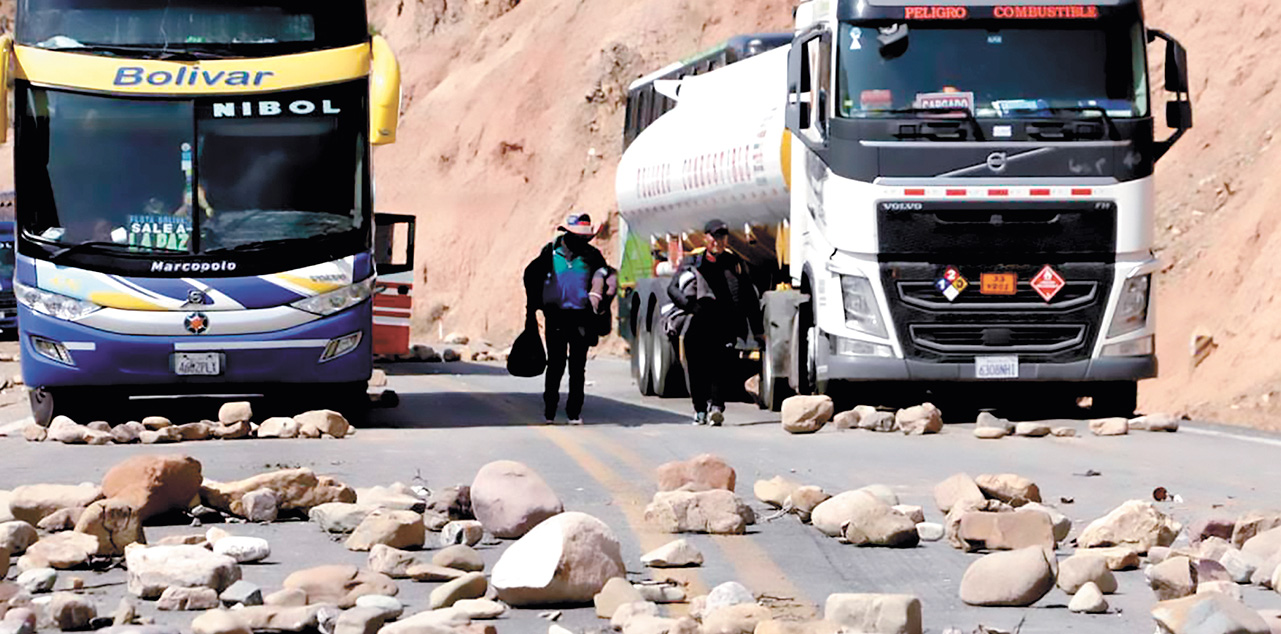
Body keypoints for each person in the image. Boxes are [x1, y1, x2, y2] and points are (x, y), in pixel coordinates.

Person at [667, 219, 763, 426]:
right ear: (706, 238)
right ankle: (700, 409)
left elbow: (749, 298)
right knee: (696, 368)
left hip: (725, 323)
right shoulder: (693, 262)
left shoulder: (734, 263)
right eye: (714, 236)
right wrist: (690, 307)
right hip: (698, 322)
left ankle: (717, 408)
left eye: (722, 236)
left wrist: (757, 330)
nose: (718, 241)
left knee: (721, 366)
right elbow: (672, 288)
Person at [523, 212, 609, 425]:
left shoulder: (593, 255)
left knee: (577, 367)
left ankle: (574, 412)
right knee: (555, 365)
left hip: (582, 317)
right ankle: (550, 411)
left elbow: (605, 279)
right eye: (578, 235)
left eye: (585, 236)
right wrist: (534, 307)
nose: (582, 240)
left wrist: (598, 302)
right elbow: (532, 275)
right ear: (568, 233)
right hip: (556, 317)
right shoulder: (550, 252)